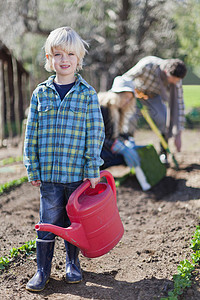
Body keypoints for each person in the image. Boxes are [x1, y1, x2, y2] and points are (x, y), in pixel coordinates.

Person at [23, 26, 105, 292]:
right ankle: (42, 270)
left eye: (70, 54)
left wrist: (93, 167)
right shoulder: (40, 94)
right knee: (47, 222)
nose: (64, 59)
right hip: (48, 175)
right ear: (49, 58)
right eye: (58, 54)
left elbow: (95, 133)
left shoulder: (87, 94)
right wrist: (32, 166)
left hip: (77, 175)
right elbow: (31, 133)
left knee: (73, 223)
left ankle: (72, 263)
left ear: (79, 59)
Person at [123, 56, 187, 164]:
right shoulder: (147, 65)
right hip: (136, 94)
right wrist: (128, 94)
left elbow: (179, 104)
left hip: (154, 97)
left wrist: (178, 133)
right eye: (173, 79)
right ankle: (129, 150)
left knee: (164, 120)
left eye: (177, 81)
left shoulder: (177, 81)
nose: (175, 82)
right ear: (166, 72)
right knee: (130, 119)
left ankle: (163, 153)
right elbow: (126, 78)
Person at [99, 76, 151, 191]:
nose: (127, 101)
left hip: (107, 147)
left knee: (131, 154)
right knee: (123, 155)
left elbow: (115, 134)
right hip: (96, 151)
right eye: (125, 97)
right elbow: (98, 137)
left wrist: (128, 140)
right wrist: (120, 148)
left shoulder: (118, 110)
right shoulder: (103, 108)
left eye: (130, 99)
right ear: (117, 94)